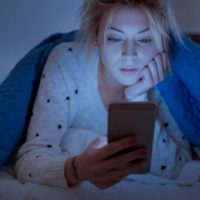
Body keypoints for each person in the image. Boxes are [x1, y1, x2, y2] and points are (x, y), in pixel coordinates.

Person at [15, 0, 198, 189]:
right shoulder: (67, 64)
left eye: (144, 39)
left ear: (161, 43)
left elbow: (179, 168)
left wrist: (137, 98)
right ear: (96, 38)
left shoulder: (163, 77)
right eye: (114, 38)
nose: (129, 54)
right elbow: (28, 161)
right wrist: (77, 169)